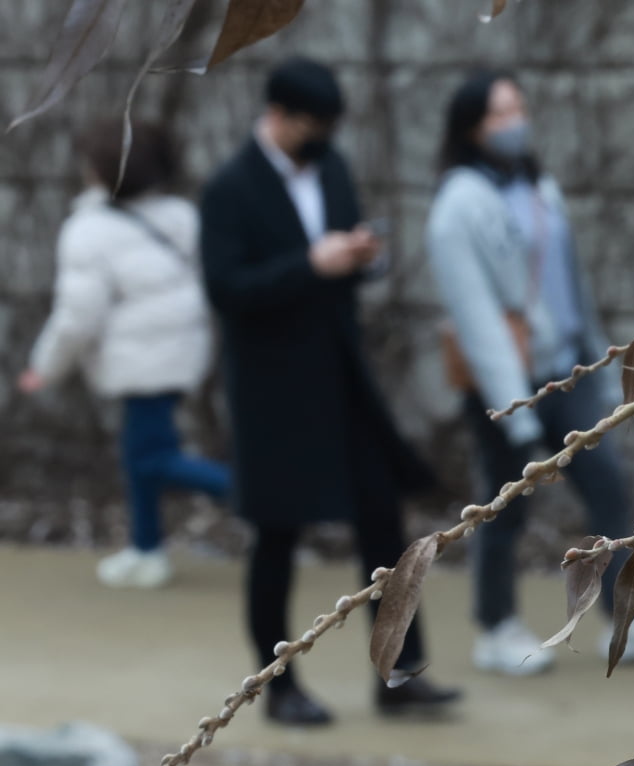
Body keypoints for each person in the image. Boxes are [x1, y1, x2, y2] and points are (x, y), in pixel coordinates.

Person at [200, 57, 459, 726]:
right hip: (273, 391)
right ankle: (277, 688)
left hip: (342, 377)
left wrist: (360, 257)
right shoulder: (231, 189)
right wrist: (310, 264)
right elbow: (227, 289)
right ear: (279, 116)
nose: (323, 138)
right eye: (313, 125)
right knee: (276, 537)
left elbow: (337, 265)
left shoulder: (333, 167)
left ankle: (399, 673)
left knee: (384, 526)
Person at [425, 69, 634, 676]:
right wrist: (514, 415)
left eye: (518, 108)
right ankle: (495, 628)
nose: (515, 123)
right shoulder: (457, 206)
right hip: (508, 387)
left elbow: (571, 284)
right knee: (504, 507)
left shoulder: (538, 184)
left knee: (608, 487)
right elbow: (477, 319)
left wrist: (594, 359)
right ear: (470, 127)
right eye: (500, 114)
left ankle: (626, 617)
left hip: (565, 372)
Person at [19, 119, 230, 590]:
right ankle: (146, 550)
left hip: (141, 362)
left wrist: (43, 368)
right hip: (180, 353)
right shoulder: (180, 214)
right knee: (140, 457)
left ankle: (255, 496)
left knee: (153, 458)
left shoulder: (89, 230)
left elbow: (77, 316)